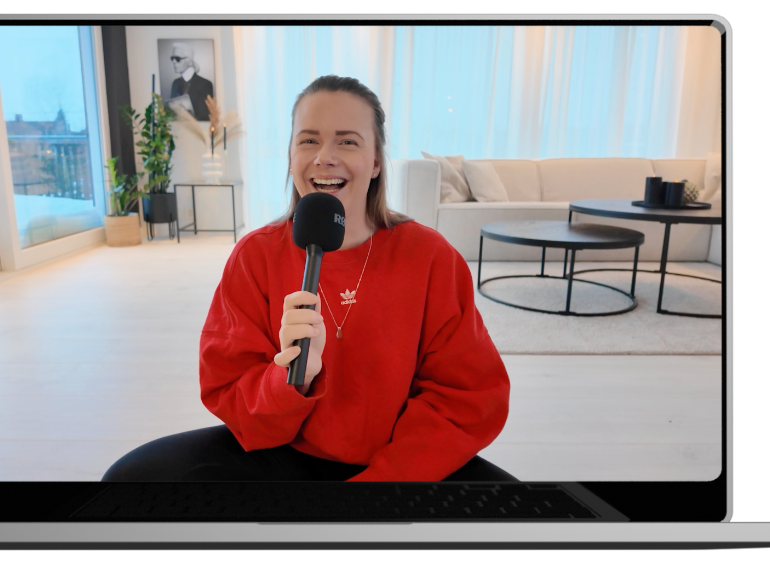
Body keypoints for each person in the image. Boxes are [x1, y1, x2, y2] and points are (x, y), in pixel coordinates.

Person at [102, 75, 515, 483]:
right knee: (131, 479)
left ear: (375, 162)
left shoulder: (431, 257)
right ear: (291, 155)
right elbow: (228, 387)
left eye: (347, 141)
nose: (324, 157)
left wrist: (376, 491)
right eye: (308, 140)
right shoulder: (255, 256)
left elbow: (467, 397)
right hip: (284, 454)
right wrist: (289, 379)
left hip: (399, 464)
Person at [168, 42, 214, 121]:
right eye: (172, 58)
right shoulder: (175, 83)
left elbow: (205, 116)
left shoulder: (205, 84)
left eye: (177, 58)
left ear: (189, 61)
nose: (174, 62)